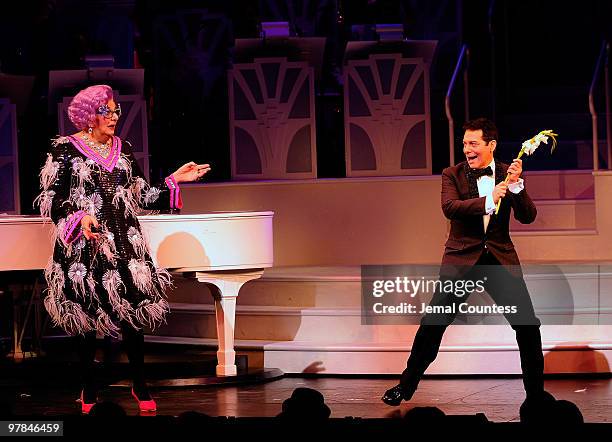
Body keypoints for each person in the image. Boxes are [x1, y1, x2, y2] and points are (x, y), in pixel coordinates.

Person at [35, 84, 210, 413]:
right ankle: (88, 386)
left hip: (124, 244)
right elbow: (53, 200)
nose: (114, 117)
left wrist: (174, 179)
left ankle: (139, 383)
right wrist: (79, 218)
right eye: (107, 111)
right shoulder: (65, 150)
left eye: (116, 111)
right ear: (89, 116)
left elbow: (142, 197)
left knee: (131, 317)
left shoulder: (123, 149)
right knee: (87, 317)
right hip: (84, 248)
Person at [382, 117, 545, 406]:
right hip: (461, 259)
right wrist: (488, 198)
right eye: (464, 144)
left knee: (527, 326)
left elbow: (528, 216)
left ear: (491, 145)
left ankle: (536, 396)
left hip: (498, 259)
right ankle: (405, 387)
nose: (467, 149)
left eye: (473, 144)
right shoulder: (452, 174)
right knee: (433, 324)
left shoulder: (508, 174)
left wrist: (517, 186)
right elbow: (450, 208)